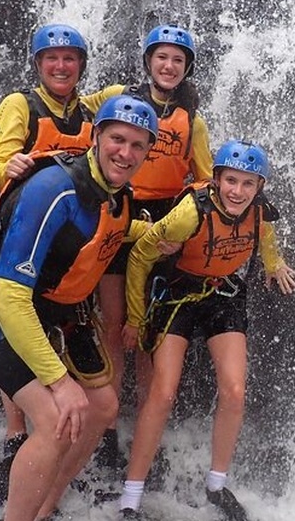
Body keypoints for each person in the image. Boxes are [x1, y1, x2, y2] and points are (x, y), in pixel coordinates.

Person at [0, 94, 159, 521]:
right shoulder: (54, 188)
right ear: (96, 136)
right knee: (54, 419)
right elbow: (8, 296)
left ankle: (44, 506)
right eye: (118, 139)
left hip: (48, 308)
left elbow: (107, 228)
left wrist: (159, 235)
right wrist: (59, 381)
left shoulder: (115, 191)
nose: (126, 153)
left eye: (139, 146)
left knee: (102, 407)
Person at [117, 140, 295, 520]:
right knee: (163, 393)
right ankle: (131, 495)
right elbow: (139, 257)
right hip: (178, 295)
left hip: (222, 295)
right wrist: (135, 319)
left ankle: (217, 485)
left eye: (248, 184)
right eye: (230, 181)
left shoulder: (259, 214)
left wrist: (275, 265)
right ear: (216, 180)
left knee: (234, 390)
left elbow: (264, 237)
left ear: (259, 187)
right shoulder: (188, 215)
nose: (238, 191)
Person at [83, 23, 214, 467]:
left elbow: (204, 178)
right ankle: (105, 426)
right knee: (117, 327)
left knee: (151, 333)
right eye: (162, 57)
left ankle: (144, 427)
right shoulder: (119, 95)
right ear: (148, 61)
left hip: (164, 225)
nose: (169, 65)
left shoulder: (193, 119)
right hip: (121, 210)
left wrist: (184, 223)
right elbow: (81, 116)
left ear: (187, 68)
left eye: (178, 60)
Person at [0, 23, 97, 469]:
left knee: (52, 323)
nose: (61, 66)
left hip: (67, 237)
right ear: (38, 64)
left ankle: (58, 412)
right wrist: (6, 166)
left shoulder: (89, 112)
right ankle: (16, 430)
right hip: (21, 229)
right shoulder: (20, 105)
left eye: (70, 59)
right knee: (14, 322)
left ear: (81, 66)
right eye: (52, 59)